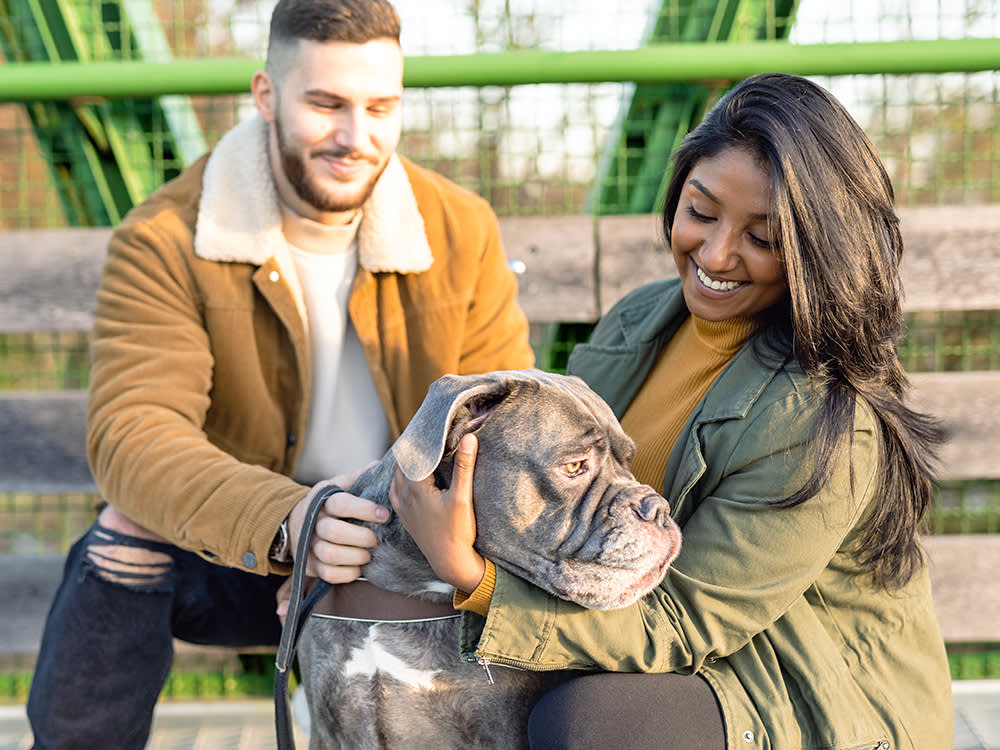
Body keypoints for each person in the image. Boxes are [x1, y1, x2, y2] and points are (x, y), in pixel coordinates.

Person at [390, 73, 953, 750]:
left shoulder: (825, 421)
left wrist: (473, 580)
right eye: (701, 211)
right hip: (676, 644)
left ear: (817, 249)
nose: (716, 255)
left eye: (764, 238)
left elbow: (682, 624)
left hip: (801, 690)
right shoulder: (640, 319)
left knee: (587, 723)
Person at [26, 0, 534, 746]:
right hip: (255, 546)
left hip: (406, 547)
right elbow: (134, 437)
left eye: (380, 107)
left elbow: (503, 424)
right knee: (122, 535)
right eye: (326, 104)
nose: (355, 137)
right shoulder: (165, 237)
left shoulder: (461, 228)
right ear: (266, 95)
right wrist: (291, 524)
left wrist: (385, 521)